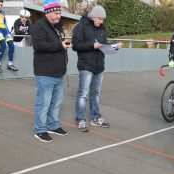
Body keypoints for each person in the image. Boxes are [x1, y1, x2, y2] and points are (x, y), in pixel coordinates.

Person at [72, 5, 122, 132]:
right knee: (83, 94)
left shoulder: (101, 28)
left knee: (95, 93)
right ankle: (80, 119)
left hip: (99, 66)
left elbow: (103, 45)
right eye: (100, 19)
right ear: (93, 16)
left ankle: (95, 117)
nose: (102, 21)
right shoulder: (81, 26)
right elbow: (75, 45)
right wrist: (91, 45)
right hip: (86, 65)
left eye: (103, 19)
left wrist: (113, 48)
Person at [32, 0, 72, 142]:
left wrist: (63, 44)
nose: (59, 16)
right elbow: (39, 45)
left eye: (60, 13)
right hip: (45, 73)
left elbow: (58, 44)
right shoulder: (39, 26)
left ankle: (52, 125)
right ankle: (40, 129)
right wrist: (59, 45)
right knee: (43, 104)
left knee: (56, 103)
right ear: (48, 12)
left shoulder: (57, 27)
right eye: (56, 13)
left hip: (58, 72)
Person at [0, 0, 18, 73]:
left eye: (1, 5)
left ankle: (10, 64)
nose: (0, 6)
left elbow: (5, 23)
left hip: (4, 30)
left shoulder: (2, 12)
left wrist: (8, 31)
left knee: (12, 45)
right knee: (3, 45)